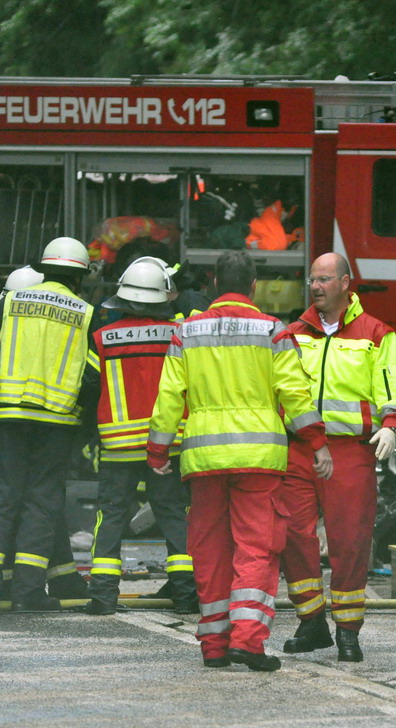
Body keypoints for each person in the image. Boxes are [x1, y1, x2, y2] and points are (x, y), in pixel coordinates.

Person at [146, 251, 332, 671]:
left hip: (204, 458)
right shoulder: (273, 331)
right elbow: (294, 394)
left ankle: (214, 646)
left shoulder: (186, 331)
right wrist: (316, 441)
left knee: (210, 549)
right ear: (253, 286)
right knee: (257, 548)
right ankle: (248, 641)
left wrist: (157, 449)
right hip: (259, 458)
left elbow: (169, 396)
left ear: (213, 283)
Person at [0, 237, 102, 613]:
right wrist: (83, 423)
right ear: (80, 276)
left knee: (0, 502)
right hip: (57, 423)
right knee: (42, 503)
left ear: (42, 268)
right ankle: (29, 592)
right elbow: (94, 376)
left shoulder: (11, 303)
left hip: (8, 418)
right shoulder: (86, 313)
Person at [278, 252, 396, 662]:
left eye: (324, 279)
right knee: (292, 536)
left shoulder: (377, 334)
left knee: (350, 542)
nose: (316, 287)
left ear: (345, 283)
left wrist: (391, 426)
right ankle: (311, 621)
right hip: (300, 448)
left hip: (350, 451)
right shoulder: (293, 332)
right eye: (312, 280)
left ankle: (348, 631)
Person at [81, 259, 197, 616]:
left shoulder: (102, 339)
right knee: (174, 516)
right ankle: (186, 595)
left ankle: (102, 597)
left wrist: (87, 435)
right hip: (168, 445)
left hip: (117, 448)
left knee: (111, 517)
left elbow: (88, 389)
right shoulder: (180, 333)